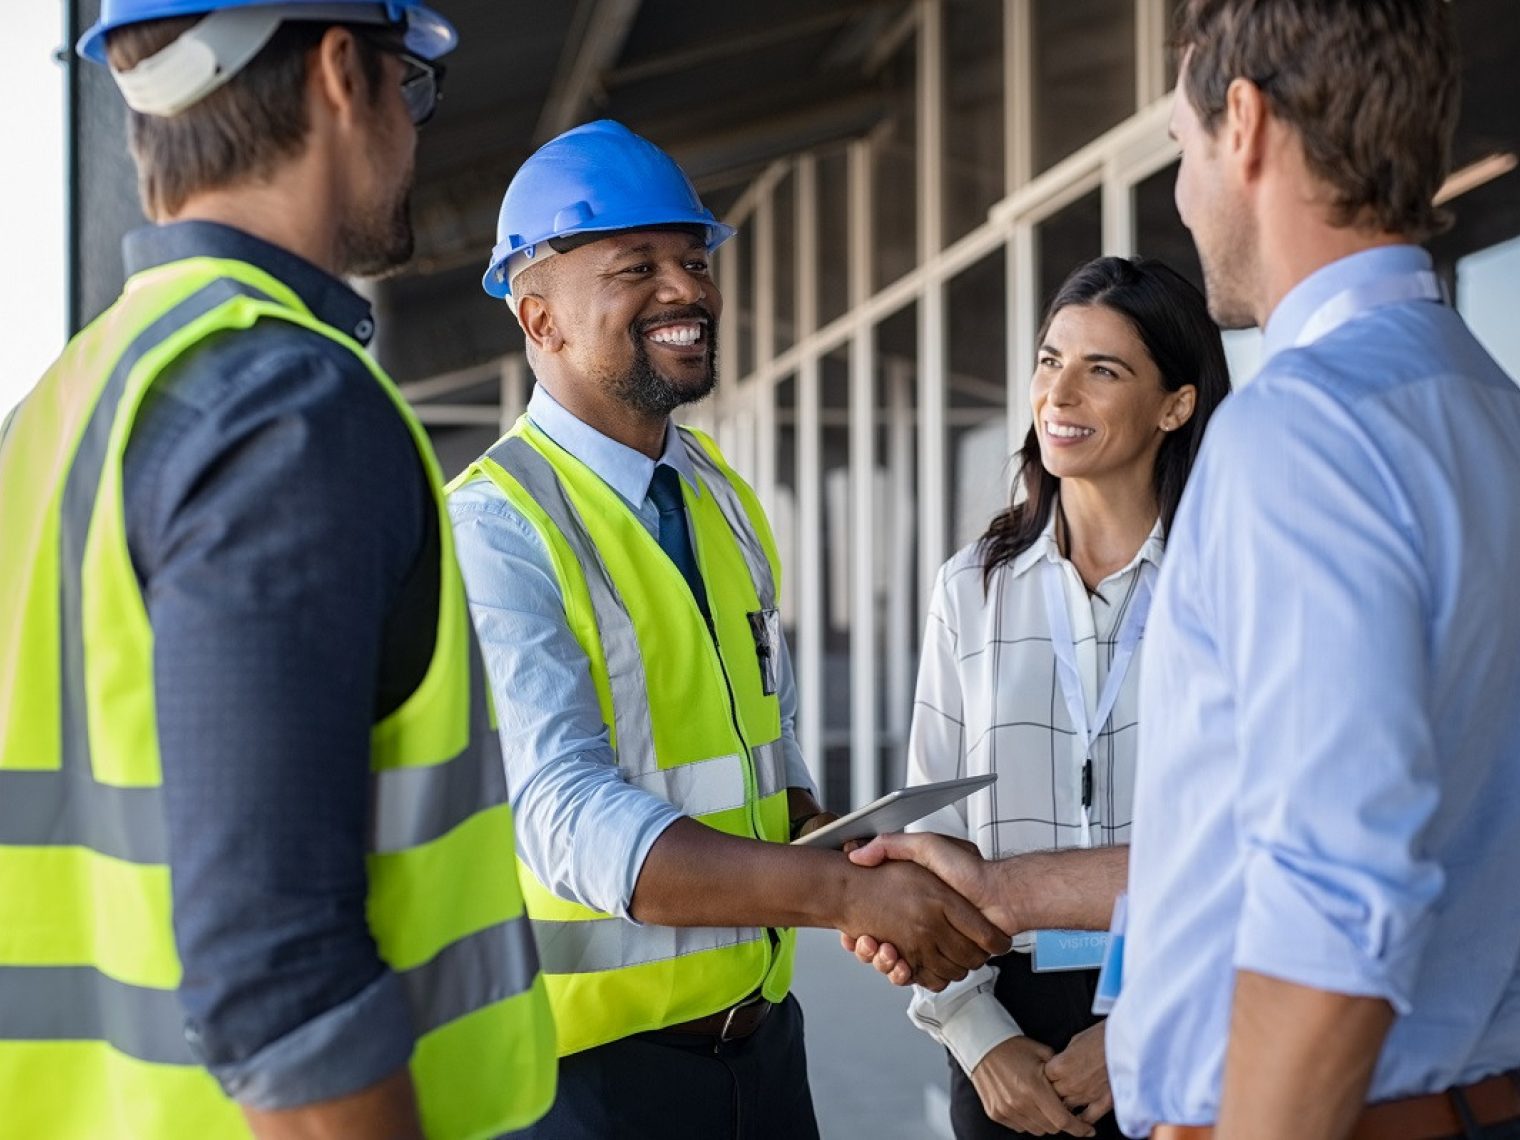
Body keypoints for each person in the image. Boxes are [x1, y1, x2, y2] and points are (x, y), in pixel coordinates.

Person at [854, 1, 1520, 1137]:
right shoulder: (1480, 406)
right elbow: (1266, 832)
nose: (1181, 188)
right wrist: (1005, 893)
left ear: (1245, 126)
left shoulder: (1302, 436)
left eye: (1179, 144)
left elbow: (1329, 898)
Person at [0, 3, 556, 1137]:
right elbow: (279, 984)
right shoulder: (283, 409)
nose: (412, 128)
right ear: (345, 72)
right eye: (412, 84)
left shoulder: (59, 406)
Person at [447, 118, 1009, 1140]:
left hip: (761, 1052)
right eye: (636, 266)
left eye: (693, 259)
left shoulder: (715, 494)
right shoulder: (495, 527)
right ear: (539, 318)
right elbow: (565, 818)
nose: (686, 289)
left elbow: (764, 748)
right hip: (585, 1088)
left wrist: (844, 851)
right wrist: (837, 897)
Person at [899, 257, 1228, 1140]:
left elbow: (1253, 835)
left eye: (1102, 370)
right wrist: (977, 1036)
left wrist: (1144, 1028)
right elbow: (934, 831)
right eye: (1050, 361)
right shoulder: (972, 586)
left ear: (1177, 405)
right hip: (1006, 1019)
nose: (1059, 393)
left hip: (1188, 1008)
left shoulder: (1228, 583)